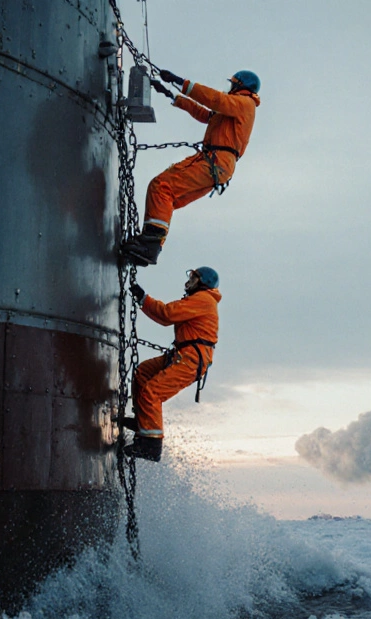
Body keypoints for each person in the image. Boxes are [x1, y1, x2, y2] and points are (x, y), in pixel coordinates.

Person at [119, 69, 261, 267]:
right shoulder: (234, 109)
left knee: (161, 187)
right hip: (218, 165)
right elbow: (206, 114)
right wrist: (172, 96)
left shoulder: (244, 104)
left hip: (215, 161)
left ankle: (149, 245)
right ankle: (149, 247)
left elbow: (215, 100)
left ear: (240, 86)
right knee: (168, 199)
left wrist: (182, 83)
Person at [119, 266, 221, 462]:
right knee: (143, 373)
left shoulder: (203, 300)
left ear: (203, 282)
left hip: (190, 360)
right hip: (182, 355)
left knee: (152, 392)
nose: (189, 280)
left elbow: (166, 314)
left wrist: (143, 298)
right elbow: (166, 317)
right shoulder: (200, 300)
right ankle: (143, 422)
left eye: (194, 277)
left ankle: (151, 446)